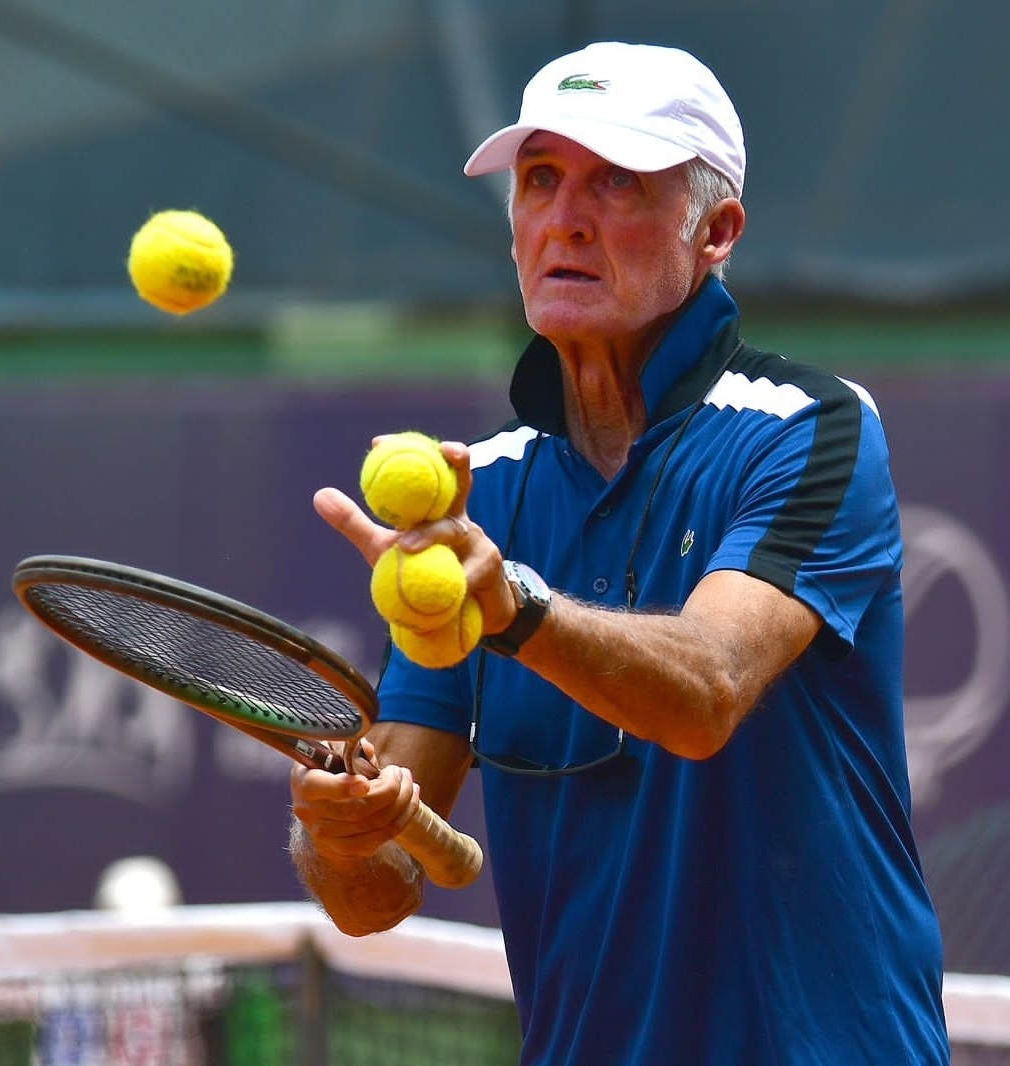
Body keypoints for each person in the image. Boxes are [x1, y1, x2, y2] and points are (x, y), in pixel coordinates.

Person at [289, 41, 950, 1065]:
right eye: (542, 180)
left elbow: (708, 690)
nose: (567, 218)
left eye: (618, 184)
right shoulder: (484, 496)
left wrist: (513, 604)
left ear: (716, 230)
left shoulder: (811, 429)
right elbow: (378, 891)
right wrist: (337, 831)